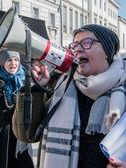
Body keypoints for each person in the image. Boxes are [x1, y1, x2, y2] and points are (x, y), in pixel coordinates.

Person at [19, 24, 126, 168]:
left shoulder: (122, 90)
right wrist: (37, 89)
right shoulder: (59, 84)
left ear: (107, 50)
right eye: (75, 45)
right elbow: (26, 134)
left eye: (87, 43)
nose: (78, 50)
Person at [0, 50, 33, 168]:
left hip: (20, 133)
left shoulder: (27, 82)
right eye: (9, 60)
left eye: (16, 60)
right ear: (3, 63)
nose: (13, 63)